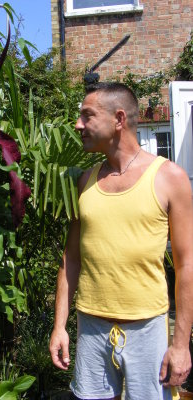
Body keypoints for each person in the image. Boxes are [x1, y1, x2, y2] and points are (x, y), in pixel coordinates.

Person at [49, 82, 193, 400]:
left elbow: (186, 266)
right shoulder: (84, 181)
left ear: (118, 119)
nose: (78, 125)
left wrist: (181, 345)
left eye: (87, 116)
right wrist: (60, 326)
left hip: (148, 327)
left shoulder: (170, 178)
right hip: (92, 326)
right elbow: (70, 259)